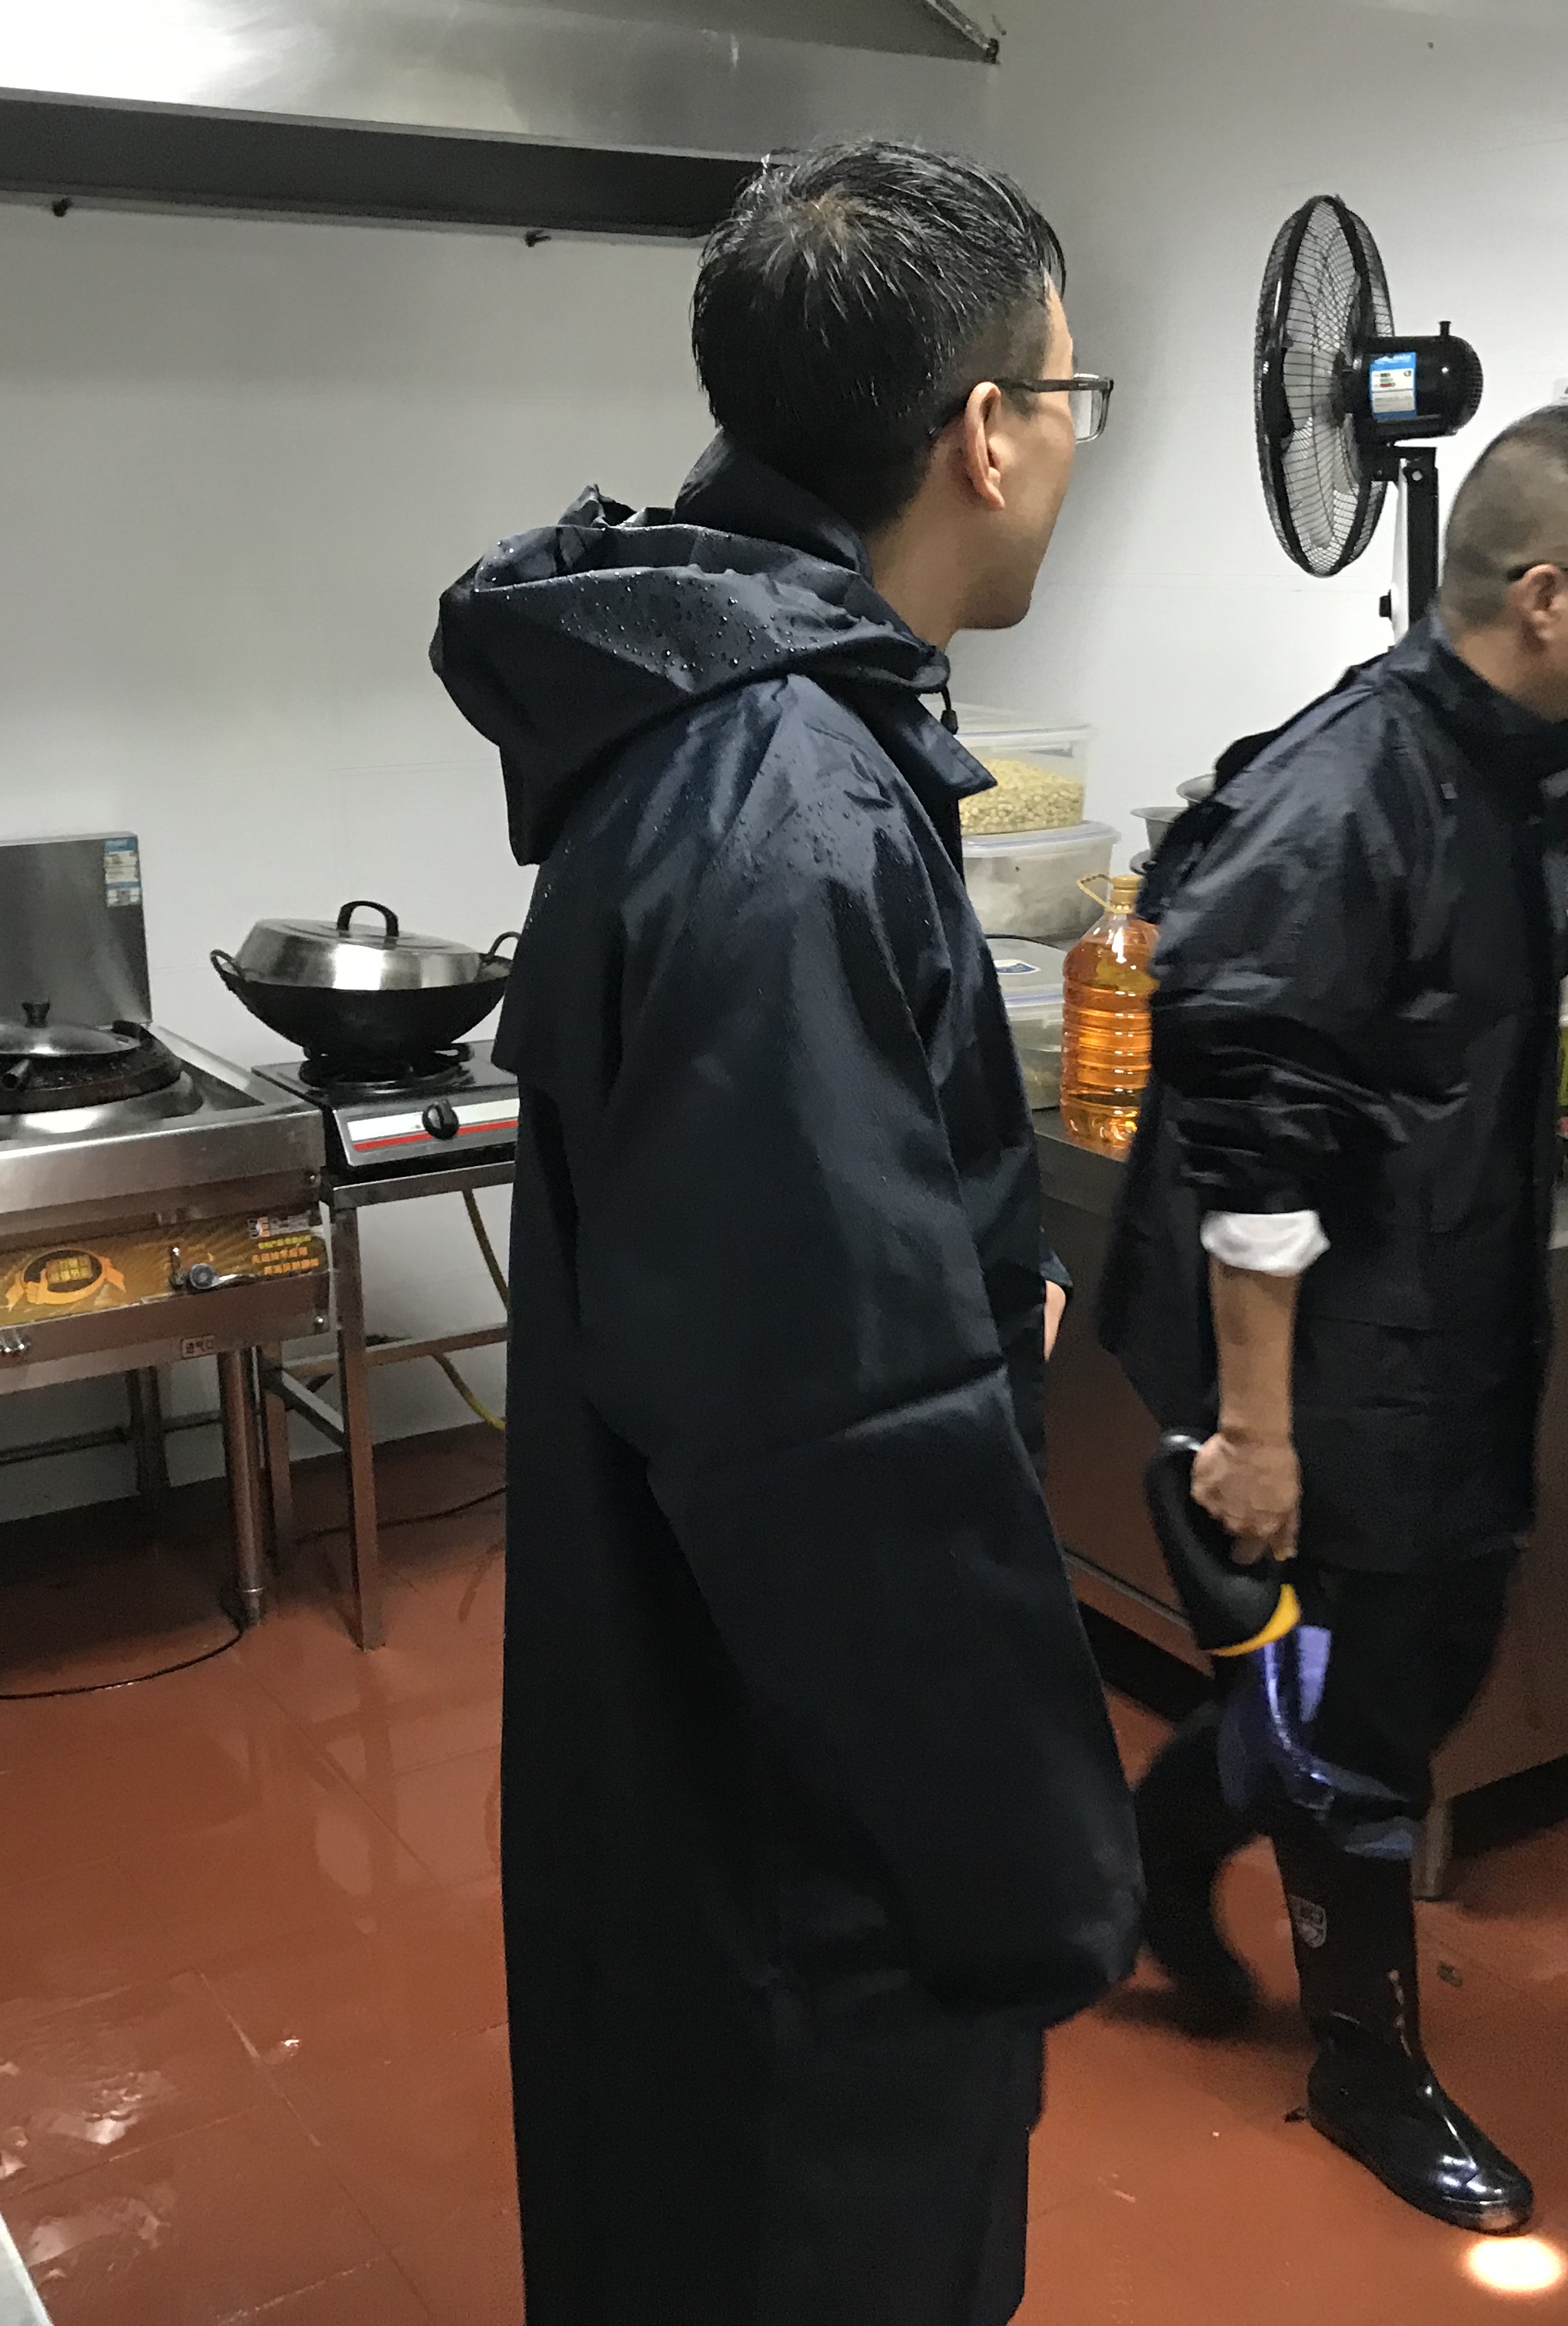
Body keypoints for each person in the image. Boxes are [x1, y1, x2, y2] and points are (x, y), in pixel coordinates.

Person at [428, 141, 1140, 2326]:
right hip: (796, 1837)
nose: (1077, 440)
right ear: (987, 433)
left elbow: (785, 1276)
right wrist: (1037, 1871)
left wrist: (976, 1273)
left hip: (719, 1758)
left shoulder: (754, 716)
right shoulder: (783, 815)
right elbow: (841, 1459)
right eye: (1077, 394)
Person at [1097, 402, 1568, 2235]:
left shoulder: (1507, 762)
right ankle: (1363, 2066)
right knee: (1355, 1715)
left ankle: (1152, 1852)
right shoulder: (1350, 788)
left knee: (1415, 1666)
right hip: (1324, 1351)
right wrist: (1258, 1432)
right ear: (1546, 593)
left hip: (1434, 1316)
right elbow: (1253, 1128)